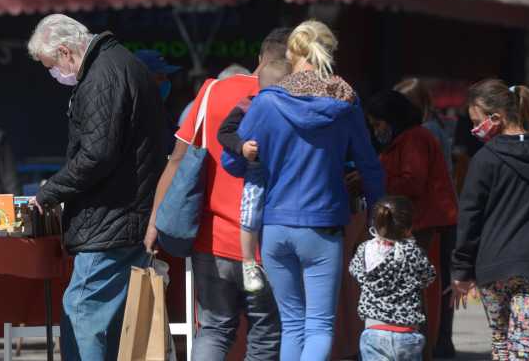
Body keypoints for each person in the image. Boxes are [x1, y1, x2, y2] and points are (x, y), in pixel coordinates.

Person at [221, 20, 385, 361]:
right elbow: (369, 164)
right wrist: (376, 216)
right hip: (322, 225)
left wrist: (255, 155)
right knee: (320, 326)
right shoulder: (346, 101)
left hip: (275, 226)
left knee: (292, 324)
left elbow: (233, 163)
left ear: (292, 54)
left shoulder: (267, 102)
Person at [27, 14, 167, 361]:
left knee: (82, 311)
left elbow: (97, 155)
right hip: (127, 213)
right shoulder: (121, 63)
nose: (54, 75)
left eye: (50, 66)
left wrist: (51, 191)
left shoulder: (102, 75)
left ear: (65, 51)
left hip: (109, 218)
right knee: (109, 320)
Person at [146, 27, 291, 361]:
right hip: (265, 244)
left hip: (211, 242)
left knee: (214, 328)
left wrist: (155, 220)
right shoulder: (289, 98)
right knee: (266, 333)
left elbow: (178, 161)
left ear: (260, 57)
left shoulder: (212, 91)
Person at [451, 79, 529, 360]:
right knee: (523, 340)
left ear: (495, 118)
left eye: (477, 121)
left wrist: (461, 270)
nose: (474, 129)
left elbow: (470, 217)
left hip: (492, 265)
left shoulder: (485, 159)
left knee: (500, 342)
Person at [365, 90, 458, 359]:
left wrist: (372, 182)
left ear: (392, 118)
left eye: (378, 123)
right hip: (415, 224)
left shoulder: (415, 138)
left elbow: (411, 182)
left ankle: (424, 351)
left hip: (423, 225)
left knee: (420, 294)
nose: (377, 130)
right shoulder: (405, 139)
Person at [392, 78, 460, 359]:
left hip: (432, 218)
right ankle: (442, 341)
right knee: (438, 281)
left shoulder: (423, 133)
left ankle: (435, 342)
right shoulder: (434, 129)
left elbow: (416, 181)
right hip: (442, 215)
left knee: (431, 283)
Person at [216, 58, 292, 293]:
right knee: (251, 210)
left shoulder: (295, 107)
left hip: (283, 171)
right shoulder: (247, 106)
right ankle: (249, 262)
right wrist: (242, 147)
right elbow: (224, 132)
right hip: (257, 169)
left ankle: (271, 263)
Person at [350, 196, 436, 361]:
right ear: (408, 228)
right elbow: (428, 276)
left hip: (374, 330)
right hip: (407, 333)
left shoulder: (365, 249)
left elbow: (355, 271)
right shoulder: (413, 252)